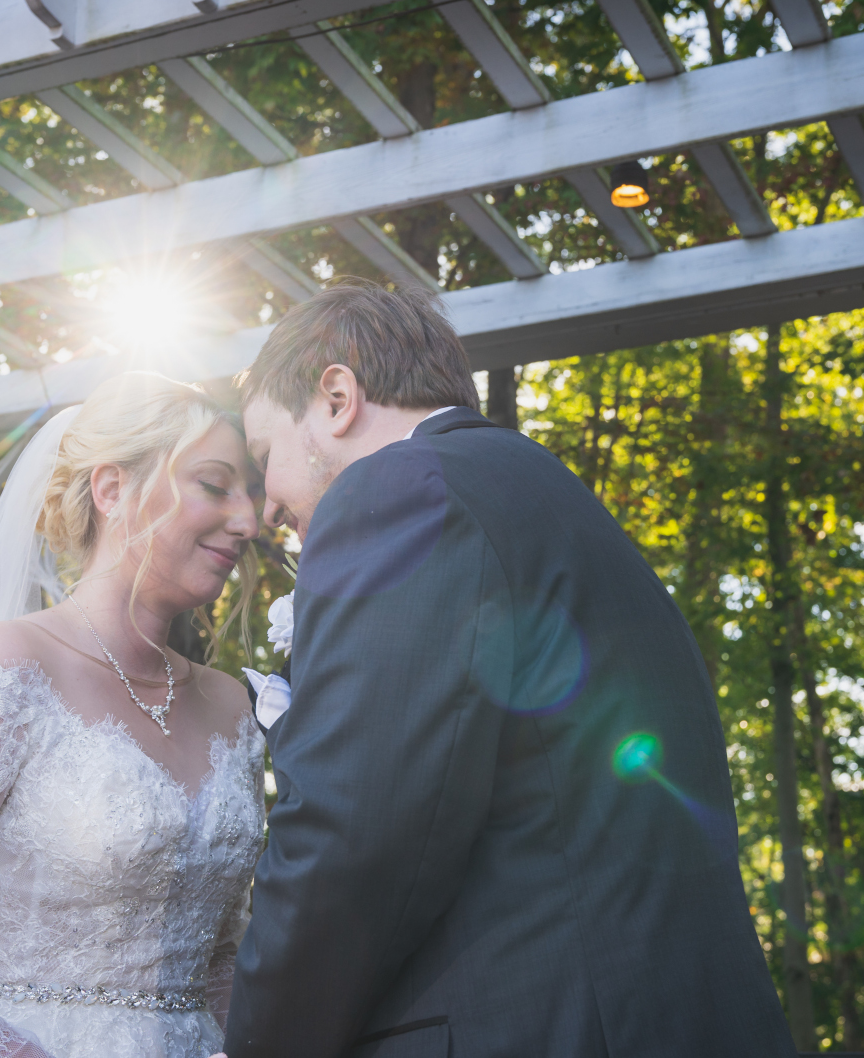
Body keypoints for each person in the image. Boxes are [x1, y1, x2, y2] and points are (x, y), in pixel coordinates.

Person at [221, 278, 795, 1057]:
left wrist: (262, 1044)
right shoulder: (538, 489)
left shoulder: (398, 492)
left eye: (264, 458)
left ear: (335, 398)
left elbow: (355, 839)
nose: (265, 513)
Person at [0, 374, 266, 1058]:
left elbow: (219, 963)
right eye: (215, 484)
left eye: (254, 492)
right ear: (112, 489)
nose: (249, 520)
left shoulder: (233, 706)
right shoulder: (2, 672)